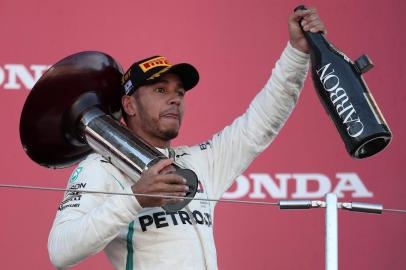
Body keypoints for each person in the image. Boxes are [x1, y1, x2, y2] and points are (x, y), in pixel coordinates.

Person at [48, 7, 326, 270]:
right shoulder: (101, 167)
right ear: (129, 105)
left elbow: (262, 121)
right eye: (160, 90)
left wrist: (297, 53)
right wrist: (135, 199)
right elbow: (61, 251)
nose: (174, 99)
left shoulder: (199, 162)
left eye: (180, 92)